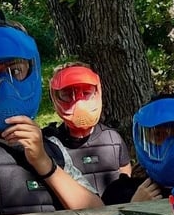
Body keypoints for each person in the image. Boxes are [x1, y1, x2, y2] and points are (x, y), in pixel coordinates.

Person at [0, 10, 103, 215]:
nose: (5, 86)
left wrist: (45, 163)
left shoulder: (51, 145)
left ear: (31, 70)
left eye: (15, 71)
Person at [45, 62, 132, 197]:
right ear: (55, 97)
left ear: (97, 92)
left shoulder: (113, 139)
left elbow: (125, 183)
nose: (78, 102)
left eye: (86, 93)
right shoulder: (51, 145)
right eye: (67, 94)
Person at [101, 95, 174, 205]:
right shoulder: (118, 192)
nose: (173, 148)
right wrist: (135, 207)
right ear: (142, 140)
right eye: (158, 134)